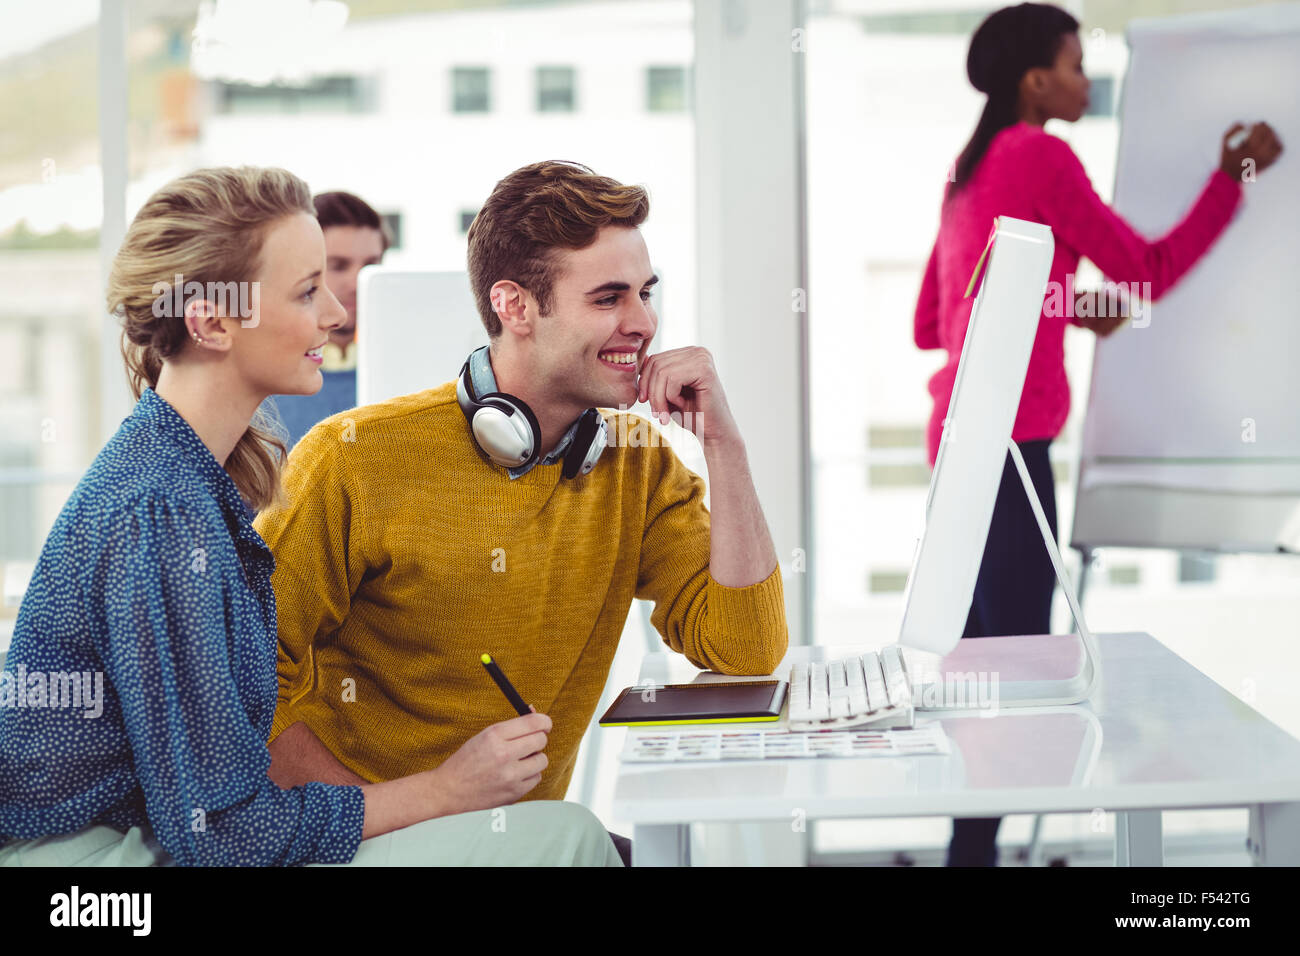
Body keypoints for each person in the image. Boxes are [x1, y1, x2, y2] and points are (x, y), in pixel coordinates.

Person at [0, 166, 620, 867]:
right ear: (210, 321)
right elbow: (223, 835)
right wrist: (444, 791)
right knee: (568, 840)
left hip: (157, 842)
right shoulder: (162, 511)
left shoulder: (191, 476)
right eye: (305, 291)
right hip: (95, 871)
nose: (334, 312)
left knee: (561, 836)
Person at [256, 161, 789, 853]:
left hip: (516, 842)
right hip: (359, 836)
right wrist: (383, 813)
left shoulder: (635, 463)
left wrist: (725, 444)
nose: (644, 322)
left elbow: (747, 651)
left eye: (645, 294)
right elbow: (245, 689)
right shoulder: (351, 457)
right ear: (514, 306)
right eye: (608, 299)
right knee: (594, 843)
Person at [914, 2, 1283, 867]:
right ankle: (972, 858)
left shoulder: (966, 172)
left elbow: (935, 324)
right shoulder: (1042, 154)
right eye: (1076, 64)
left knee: (984, 668)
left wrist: (1067, 305)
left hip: (959, 444)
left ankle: (970, 852)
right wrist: (1234, 175)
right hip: (1013, 450)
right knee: (1024, 675)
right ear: (1035, 78)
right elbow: (1145, 271)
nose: (1086, 80)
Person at [266, 190, 387, 451]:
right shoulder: (263, 386)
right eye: (338, 266)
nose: (357, 282)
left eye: (371, 265)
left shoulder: (407, 373)